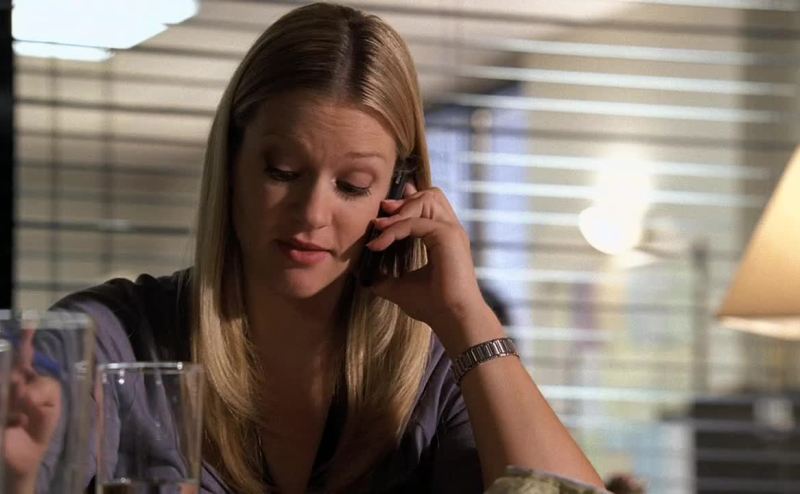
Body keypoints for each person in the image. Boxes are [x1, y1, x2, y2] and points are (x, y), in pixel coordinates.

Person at [7, 3, 604, 493]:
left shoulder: (436, 372)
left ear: (398, 192)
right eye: (283, 172)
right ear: (233, 167)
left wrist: (468, 318)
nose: (312, 214)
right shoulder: (117, 339)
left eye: (353, 185)